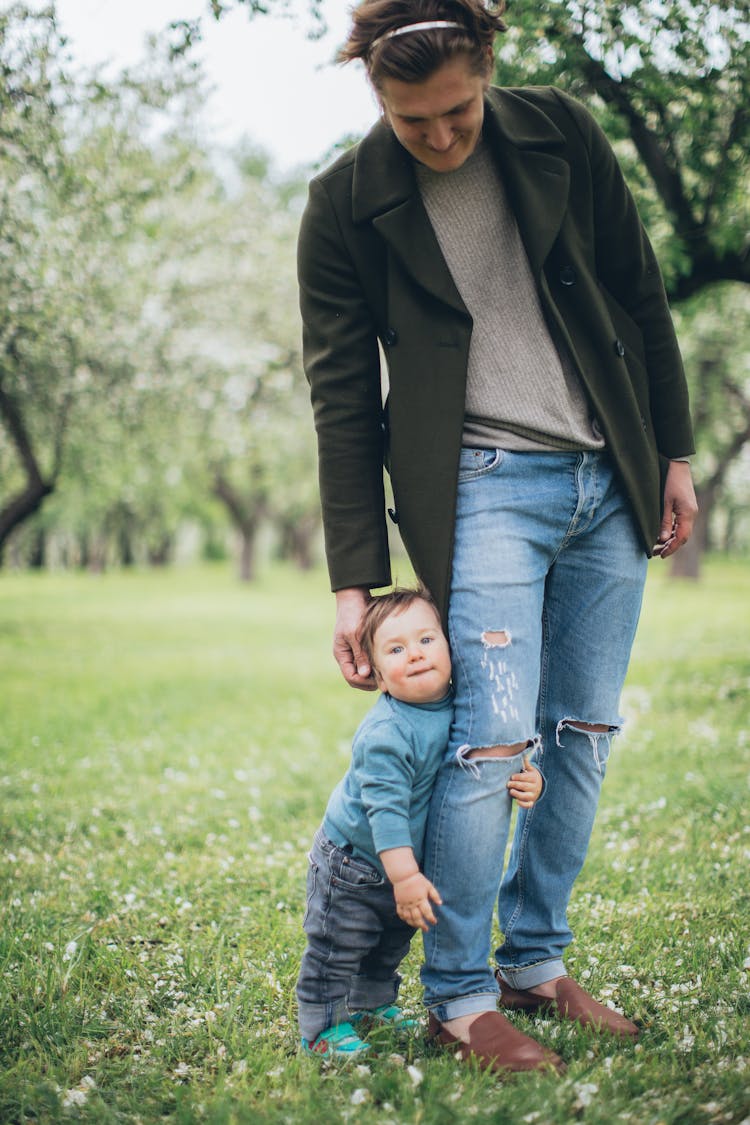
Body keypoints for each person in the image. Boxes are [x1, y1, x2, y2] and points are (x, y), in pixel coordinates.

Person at [298, 0, 698, 1074]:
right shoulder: (343, 203)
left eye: (457, 110)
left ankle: (536, 961)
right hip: (479, 491)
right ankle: (463, 996)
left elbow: (639, 292)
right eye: (410, 118)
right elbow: (343, 396)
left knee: (583, 733)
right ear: (375, 93)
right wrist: (355, 583)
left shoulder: (558, 129)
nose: (438, 137)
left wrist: (672, 449)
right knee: (489, 741)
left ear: (488, 64)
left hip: (607, 476)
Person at [296, 586, 544, 1059]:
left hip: (403, 865)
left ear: (452, 647)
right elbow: (384, 811)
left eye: (426, 640)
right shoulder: (388, 733)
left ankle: (371, 1005)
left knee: (389, 944)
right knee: (339, 947)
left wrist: (531, 780)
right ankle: (320, 1027)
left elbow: (492, 760)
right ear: (379, 676)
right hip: (356, 861)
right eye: (395, 649)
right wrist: (405, 876)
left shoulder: (464, 709)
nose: (414, 654)